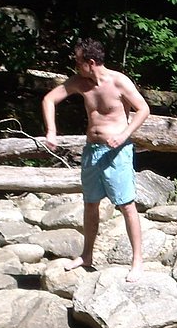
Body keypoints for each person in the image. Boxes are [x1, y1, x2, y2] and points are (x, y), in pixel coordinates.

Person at [41, 37, 149, 279]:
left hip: (117, 152)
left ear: (90, 62)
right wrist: (51, 131)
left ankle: (137, 261)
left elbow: (143, 109)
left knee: (126, 205)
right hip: (92, 151)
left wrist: (123, 135)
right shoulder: (80, 82)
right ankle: (87, 254)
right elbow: (49, 99)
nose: (76, 67)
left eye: (78, 63)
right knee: (91, 204)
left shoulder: (119, 82)